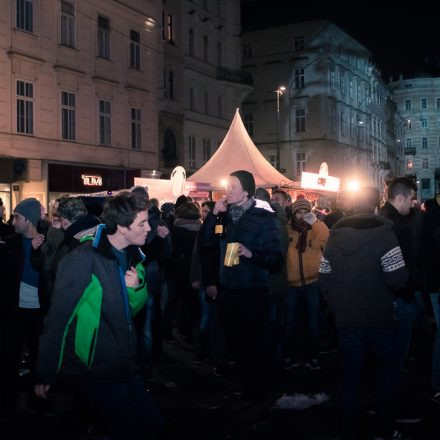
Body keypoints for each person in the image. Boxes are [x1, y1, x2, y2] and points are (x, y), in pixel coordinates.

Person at [34, 191, 163, 440]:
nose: (149, 228)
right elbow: (59, 317)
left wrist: (135, 289)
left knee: (152, 426)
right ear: (122, 227)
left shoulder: (133, 257)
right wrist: (45, 371)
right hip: (95, 370)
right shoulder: (83, 259)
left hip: (125, 364)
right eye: (142, 223)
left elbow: (129, 311)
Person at [319, 187, 409, 440]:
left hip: (345, 320)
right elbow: (397, 280)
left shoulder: (335, 236)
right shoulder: (385, 235)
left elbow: (324, 278)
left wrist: (337, 307)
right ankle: (385, 428)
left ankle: (347, 429)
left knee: (351, 375)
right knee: (386, 374)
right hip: (379, 318)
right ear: (375, 206)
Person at [198, 170, 283, 405]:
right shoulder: (224, 217)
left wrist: (251, 253)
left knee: (254, 347)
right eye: (228, 186)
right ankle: (247, 392)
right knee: (236, 347)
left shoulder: (264, 218)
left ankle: (258, 398)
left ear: (246, 192)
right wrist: (213, 216)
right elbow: (206, 245)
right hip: (229, 291)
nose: (228, 191)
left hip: (252, 292)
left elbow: (276, 260)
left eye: (233, 187)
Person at [0, 198, 45, 418]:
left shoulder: (46, 242)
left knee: (38, 354)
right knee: (10, 354)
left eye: (17, 216)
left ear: (28, 219)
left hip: (38, 311)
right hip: (15, 309)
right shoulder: (11, 241)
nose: (13, 220)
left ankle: (40, 402)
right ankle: (7, 402)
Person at [284, 198, 329, 370]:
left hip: (312, 282)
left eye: (305, 212)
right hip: (292, 284)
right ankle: (291, 355)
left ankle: (314, 355)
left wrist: (316, 223)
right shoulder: (287, 230)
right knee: (291, 323)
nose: (302, 216)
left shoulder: (316, 230)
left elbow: (328, 241)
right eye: (299, 212)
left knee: (313, 322)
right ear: (294, 214)